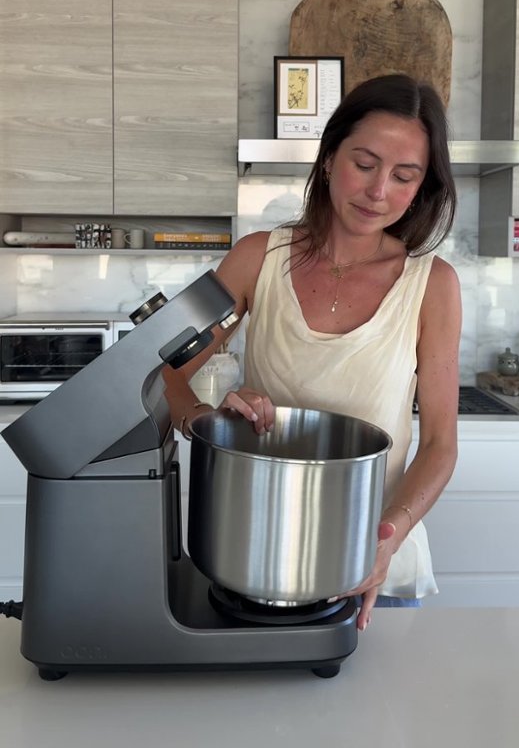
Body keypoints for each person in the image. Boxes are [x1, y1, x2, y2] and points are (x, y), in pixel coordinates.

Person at [164, 73, 461, 630]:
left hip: (373, 570)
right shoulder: (257, 259)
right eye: (364, 164)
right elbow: (164, 373)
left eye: (404, 176)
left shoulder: (432, 285)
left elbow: (441, 445)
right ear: (328, 159)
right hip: (258, 556)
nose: (378, 191)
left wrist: (389, 537)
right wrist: (201, 419)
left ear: (421, 186)